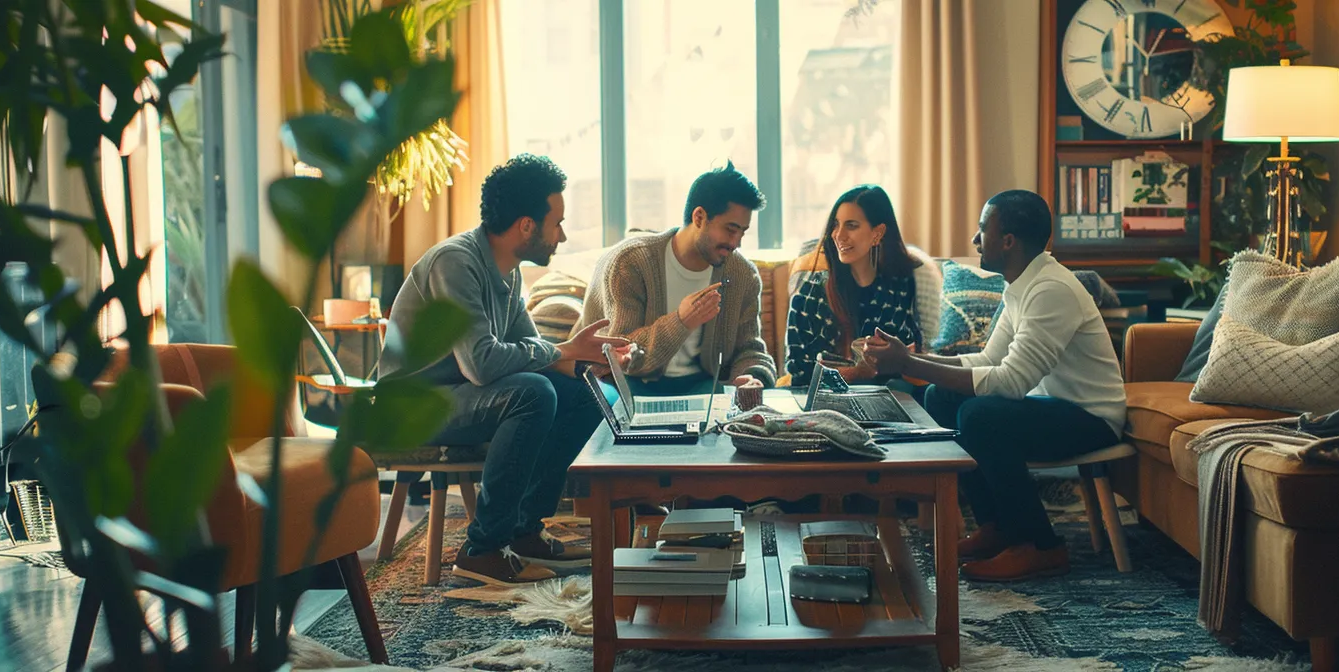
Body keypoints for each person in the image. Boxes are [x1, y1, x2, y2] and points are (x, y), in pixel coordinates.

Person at [378, 154, 635, 586]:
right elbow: (482, 363)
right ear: (526, 226)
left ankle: (524, 530)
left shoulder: (508, 272)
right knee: (534, 393)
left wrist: (587, 364)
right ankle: (482, 551)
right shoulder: (454, 263)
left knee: (585, 394)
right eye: (557, 223)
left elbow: (539, 351)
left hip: (461, 395)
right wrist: (562, 351)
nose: (563, 235)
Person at [862, 189, 1126, 582]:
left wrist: (909, 362)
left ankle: (1040, 545)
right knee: (941, 396)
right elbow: (988, 361)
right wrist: (913, 361)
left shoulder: (1051, 290)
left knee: (980, 414)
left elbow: (1009, 382)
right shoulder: (1021, 284)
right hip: (1053, 406)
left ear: (1008, 241)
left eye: (982, 229)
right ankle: (996, 527)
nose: (974, 239)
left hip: (1091, 417)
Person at [576, 161, 777, 394]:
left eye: (742, 232)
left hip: (702, 385)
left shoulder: (743, 275)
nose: (736, 243)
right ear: (699, 217)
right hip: (626, 382)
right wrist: (681, 321)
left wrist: (751, 376)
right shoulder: (630, 263)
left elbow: (749, 348)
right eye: (730, 230)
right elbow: (621, 356)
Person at [785, 185, 928, 387]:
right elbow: (799, 374)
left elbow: (916, 359)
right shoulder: (810, 293)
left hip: (892, 395)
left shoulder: (905, 286)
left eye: (851, 225)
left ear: (878, 233)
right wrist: (858, 372)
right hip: (826, 402)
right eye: (836, 224)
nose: (838, 235)